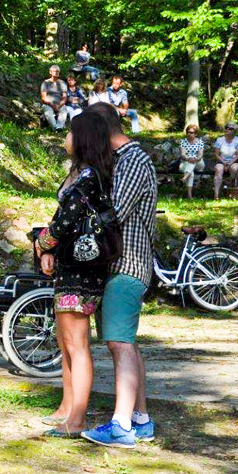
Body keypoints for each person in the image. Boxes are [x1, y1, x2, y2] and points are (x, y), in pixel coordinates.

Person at [80, 102, 157, 449]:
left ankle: (121, 425)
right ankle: (140, 419)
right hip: (124, 265)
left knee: (119, 344)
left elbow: (112, 212)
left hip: (128, 265)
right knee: (127, 342)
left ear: (100, 128)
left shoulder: (132, 160)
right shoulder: (126, 160)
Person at [36, 111, 115, 438]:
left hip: (82, 271)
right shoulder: (81, 174)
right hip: (70, 267)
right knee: (66, 341)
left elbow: (65, 221)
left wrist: (43, 243)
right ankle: (68, 407)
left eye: (69, 133)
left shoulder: (88, 178)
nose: (64, 138)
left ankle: (77, 419)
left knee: (76, 343)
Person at [212, 122, 238, 199]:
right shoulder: (219, 140)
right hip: (221, 161)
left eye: (230, 128)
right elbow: (216, 154)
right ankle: (216, 195)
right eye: (226, 127)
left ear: (235, 131)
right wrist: (224, 163)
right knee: (218, 169)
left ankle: (232, 191)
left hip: (234, 161)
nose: (227, 129)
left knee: (234, 168)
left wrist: (230, 163)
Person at [178, 124, 204, 199]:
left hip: (198, 163)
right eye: (188, 132)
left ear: (196, 134)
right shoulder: (183, 141)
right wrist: (188, 159)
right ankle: (189, 196)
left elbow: (200, 155)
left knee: (192, 163)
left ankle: (185, 178)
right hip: (185, 162)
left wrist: (195, 159)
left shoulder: (200, 142)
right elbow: (183, 155)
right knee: (191, 173)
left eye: (191, 132)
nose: (189, 134)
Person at [40, 65, 68, 131]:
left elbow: (64, 97)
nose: (56, 72)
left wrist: (59, 105)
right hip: (48, 104)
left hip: (60, 104)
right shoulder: (45, 83)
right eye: (54, 71)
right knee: (48, 113)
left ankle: (59, 127)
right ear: (50, 72)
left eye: (58, 71)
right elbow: (44, 97)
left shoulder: (62, 83)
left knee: (64, 110)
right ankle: (55, 128)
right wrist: (52, 105)